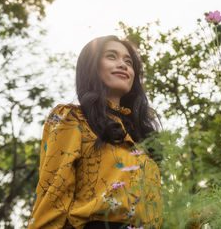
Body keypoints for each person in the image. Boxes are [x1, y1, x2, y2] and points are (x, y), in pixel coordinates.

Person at [28, 35, 163, 229]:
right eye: (111, 56)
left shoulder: (141, 139)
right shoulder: (73, 118)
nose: (123, 65)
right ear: (92, 66)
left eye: (128, 61)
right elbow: (53, 195)